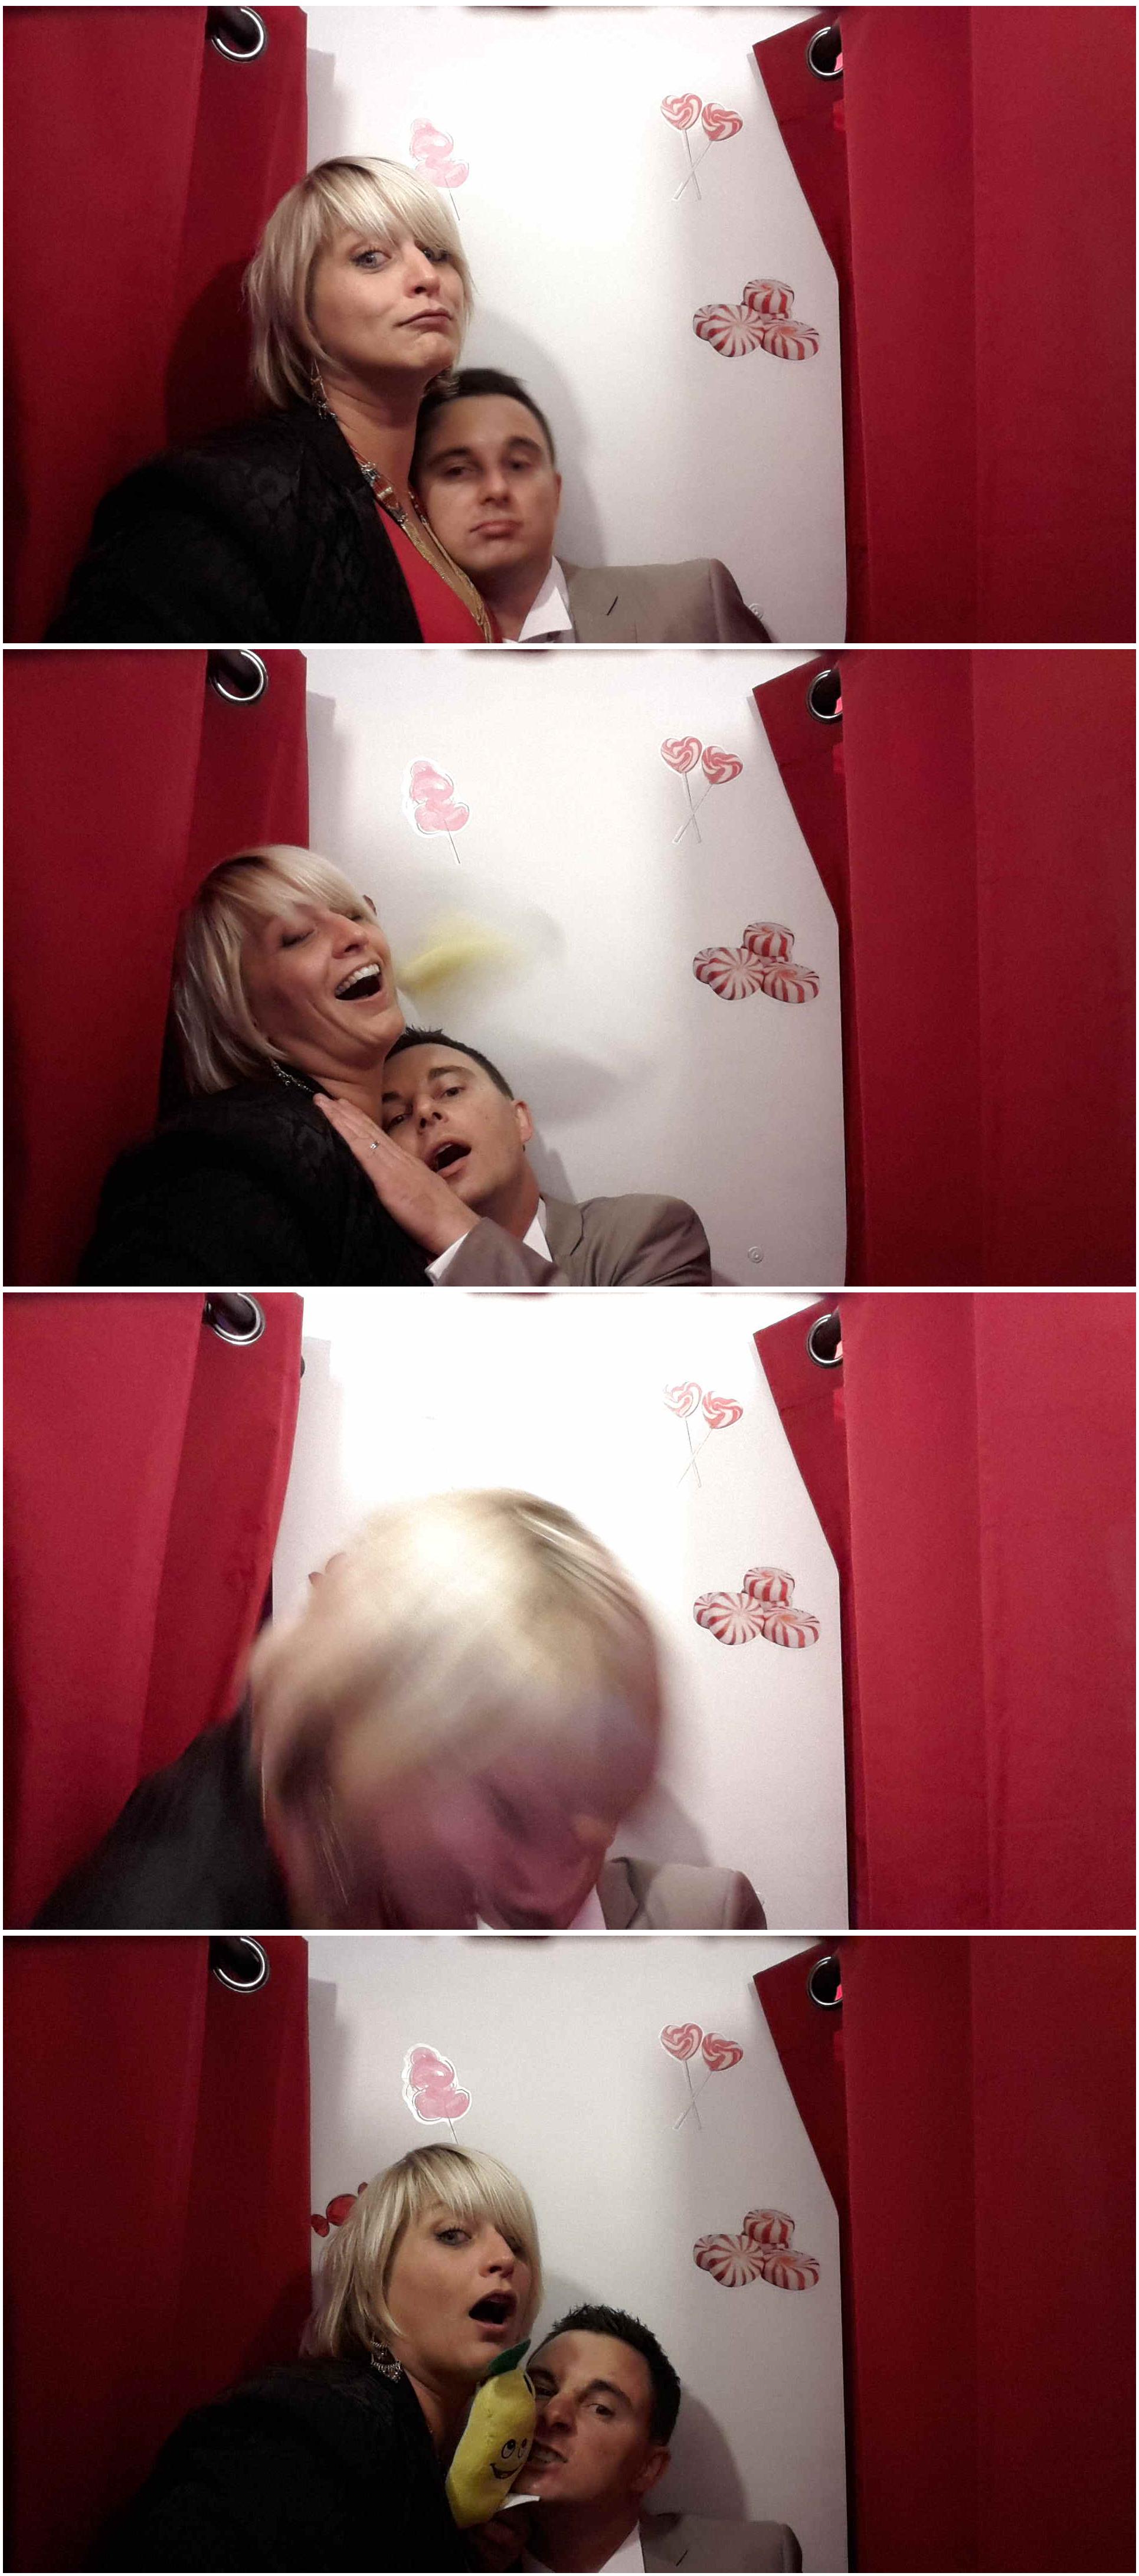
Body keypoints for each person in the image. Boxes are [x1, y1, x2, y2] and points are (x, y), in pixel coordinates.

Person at [36, 1493, 766, 1932]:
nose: (547, 1896)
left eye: (593, 1819)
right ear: (376, 1725)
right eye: (510, 1813)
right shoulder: (162, 1933)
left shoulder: (341, 1836)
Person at [77, 846, 587, 1288]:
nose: (353, 935)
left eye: (356, 914)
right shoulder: (240, 1153)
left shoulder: (379, 1173)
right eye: (298, 936)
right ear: (246, 1013)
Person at [48, 159, 493, 643]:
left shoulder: (439, 498)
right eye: (371, 257)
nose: (427, 276)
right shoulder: (222, 499)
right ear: (301, 305)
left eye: (436, 253)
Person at [94, 2144, 540, 2572]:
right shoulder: (313, 2425)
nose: (504, 2258)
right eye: (453, 2235)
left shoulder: (451, 2470)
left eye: (517, 2245)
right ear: (376, 2271)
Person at [319, 1026, 713, 1286]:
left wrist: (456, 1232)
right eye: (397, 1118)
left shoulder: (646, 1232)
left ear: (520, 1119)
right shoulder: (375, 1280)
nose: (424, 1112)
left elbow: (636, 1375)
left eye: (451, 1091)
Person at [413, 370, 771, 643]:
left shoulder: (695, 600)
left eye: (518, 465)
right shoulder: (396, 640)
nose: (496, 489)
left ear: (556, 492)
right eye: (458, 470)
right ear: (416, 500)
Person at [495, 2306, 801, 2574]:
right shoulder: (470, 2560)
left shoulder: (755, 2560)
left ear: (648, 2468)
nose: (553, 2412)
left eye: (601, 2408)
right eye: (541, 2390)